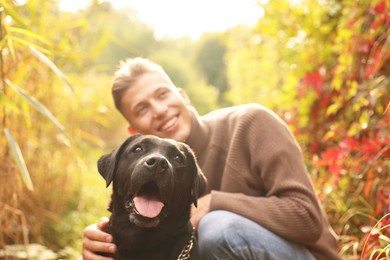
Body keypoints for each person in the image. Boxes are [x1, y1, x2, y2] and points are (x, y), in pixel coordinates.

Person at [82, 57, 341, 260]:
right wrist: (106, 241)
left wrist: (215, 203)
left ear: (182, 95)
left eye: (163, 94)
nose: (160, 110)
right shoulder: (151, 180)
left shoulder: (251, 123)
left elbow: (307, 218)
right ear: (134, 132)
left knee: (218, 229)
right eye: (142, 108)